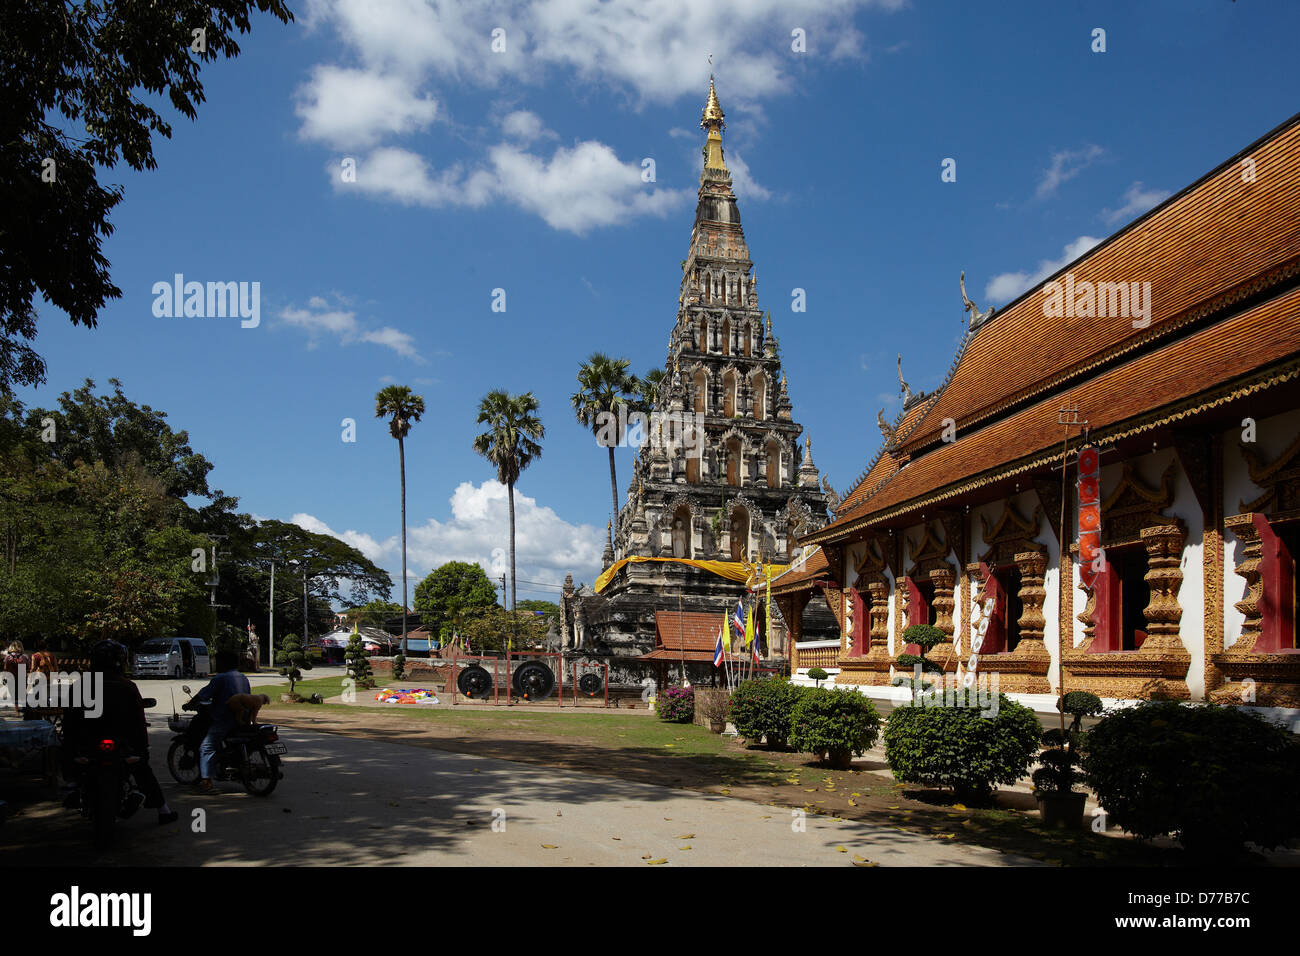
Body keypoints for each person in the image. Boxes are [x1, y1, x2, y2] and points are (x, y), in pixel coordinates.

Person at [62, 639, 178, 825]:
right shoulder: (127, 686)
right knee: (142, 768)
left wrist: (71, 744)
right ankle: (163, 810)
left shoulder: (80, 686)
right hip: (120, 744)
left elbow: (69, 721)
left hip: (89, 744)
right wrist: (142, 748)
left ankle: (71, 786)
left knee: (69, 755)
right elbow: (138, 722)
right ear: (120, 661)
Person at [186, 650, 250, 792]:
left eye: (217, 662)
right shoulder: (242, 677)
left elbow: (203, 694)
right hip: (243, 719)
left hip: (224, 719)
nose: (215, 665)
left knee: (206, 747)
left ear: (224, 663)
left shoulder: (220, 678)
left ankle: (207, 783)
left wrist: (189, 704)